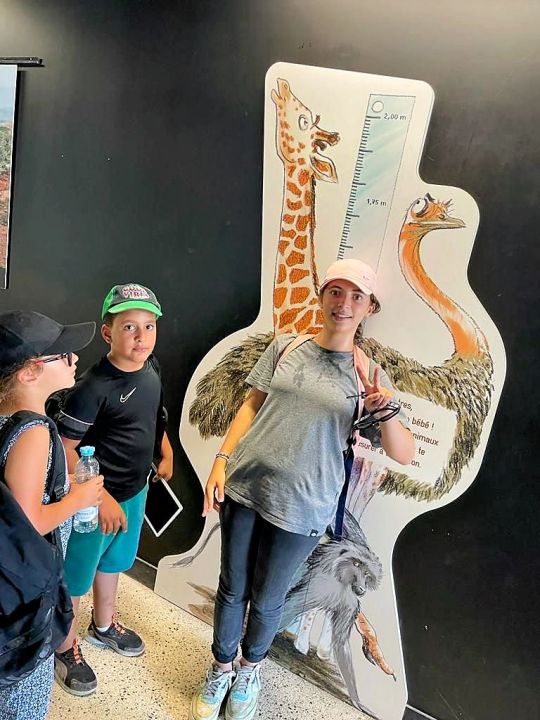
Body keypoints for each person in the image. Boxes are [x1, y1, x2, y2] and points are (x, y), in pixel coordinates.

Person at [190, 259, 415, 720]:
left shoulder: (369, 376)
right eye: (336, 292)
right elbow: (250, 405)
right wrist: (220, 461)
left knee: (269, 598)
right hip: (245, 488)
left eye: (356, 296)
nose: (344, 303)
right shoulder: (285, 346)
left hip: (305, 507)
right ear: (322, 295)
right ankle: (221, 668)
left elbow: (404, 453)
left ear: (369, 307)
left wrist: (385, 410)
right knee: (232, 588)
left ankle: (249, 671)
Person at [53, 283, 174, 696]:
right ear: (108, 333)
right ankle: (65, 647)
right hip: (93, 503)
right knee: (76, 576)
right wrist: (99, 496)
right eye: (129, 327)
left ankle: (103, 625)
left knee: (114, 562)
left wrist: (165, 450)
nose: (141, 337)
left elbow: (154, 416)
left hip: (135, 492)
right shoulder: (92, 387)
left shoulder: (151, 368)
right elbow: (64, 449)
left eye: (149, 326)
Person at [0, 310, 103, 720]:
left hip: (6, 579)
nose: (75, 359)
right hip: (25, 588)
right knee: (23, 693)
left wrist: (64, 490)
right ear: (29, 372)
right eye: (62, 355)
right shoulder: (35, 432)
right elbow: (29, 523)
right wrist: (80, 498)